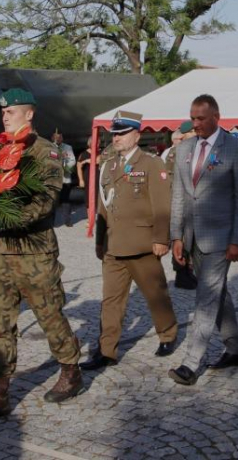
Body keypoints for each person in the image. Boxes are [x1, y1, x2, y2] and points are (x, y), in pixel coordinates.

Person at [0, 88, 83, 425]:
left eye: (12, 110)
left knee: (49, 316)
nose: (5, 115)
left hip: (35, 252)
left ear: (29, 114)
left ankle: (71, 371)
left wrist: (3, 213)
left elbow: (46, 202)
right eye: (2, 111)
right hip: (1, 251)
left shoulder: (47, 153)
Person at [81, 111, 178, 371]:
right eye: (114, 133)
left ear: (137, 135)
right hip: (113, 245)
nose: (117, 138)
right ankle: (107, 350)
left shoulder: (151, 164)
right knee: (110, 300)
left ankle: (167, 333)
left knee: (155, 293)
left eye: (122, 133)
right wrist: (99, 241)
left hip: (142, 244)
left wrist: (161, 238)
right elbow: (104, 205)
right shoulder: (109, 165)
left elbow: (162, 205)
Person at [168, 95, 238, 386]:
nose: (195, 124)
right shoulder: (185, 150)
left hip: (221, 237)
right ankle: (236, 348)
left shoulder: (236, 149)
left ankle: (192, 362)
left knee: (205, 298)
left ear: (216, 116)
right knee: (218, 294)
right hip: (192, 238)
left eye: (201, 118)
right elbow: (179, 196)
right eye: (192, 118)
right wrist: (176, 236)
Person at [163, 120, 198, 290]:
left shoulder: (196, 149)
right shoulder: (177, 152)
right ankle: (181, 273)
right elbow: (172, 180)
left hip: (194, 204)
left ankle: (189, 271)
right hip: (180, 202)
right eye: (192, 133)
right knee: (181, 239)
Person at [52, 130, 76, 226]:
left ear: (62, 138)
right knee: (53, 200)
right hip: (53, 179)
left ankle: (67, 220)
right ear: (52, 137)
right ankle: (51, 220)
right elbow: (48, 160)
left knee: (65, 200)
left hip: (65, 179)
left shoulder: (68, 148)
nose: (58, 139)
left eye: (60, 137)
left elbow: (72, 160)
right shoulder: (50, 147)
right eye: (56, 137)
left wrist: (67, 167)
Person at [76, 136, 99, 211]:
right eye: (94, 142)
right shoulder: (83, 154)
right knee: (88, 200)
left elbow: (98, 161)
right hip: (88, 179)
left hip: (100, 179)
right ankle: (90, 219)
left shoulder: (101, 152)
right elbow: (79, 167)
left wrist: (86, 161)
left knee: (99, 199)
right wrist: (81, 180)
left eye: (98, 142)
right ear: (90, 143)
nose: (96, 144)